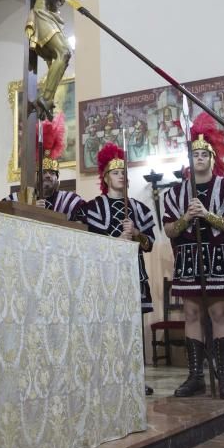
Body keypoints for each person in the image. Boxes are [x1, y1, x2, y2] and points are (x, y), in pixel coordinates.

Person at [163, 113, 224, 399]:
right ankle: (195, 375)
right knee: (191, 313)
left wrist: (209, 216)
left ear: (213, 158)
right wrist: (187, 217)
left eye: (204, 154)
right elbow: (170, 231)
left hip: (219, 259)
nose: (199, 158)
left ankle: (223, 377)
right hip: (188, 259)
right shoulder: (175, 194)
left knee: (218, 313)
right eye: (194, 154)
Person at [83, 142, 156, 395]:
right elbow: (89, 242)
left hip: (134, 273)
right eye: (116, 172)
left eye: (124, 172)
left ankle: (137, 376)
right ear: (105, 177)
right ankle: (109, 373)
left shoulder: (139, 209)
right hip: (106, 274)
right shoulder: (93, 208)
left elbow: (149, 245)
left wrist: (136, 233)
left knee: (134, 325)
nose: (121, 175)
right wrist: (116, 242)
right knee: (108, 324)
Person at [3, 113, 85, 222]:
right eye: (44, 172)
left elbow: (85, 220)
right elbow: (0, 211)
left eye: (52, 173)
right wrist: (29, 207)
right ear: (36, 175)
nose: (47, 175)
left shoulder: (69, 200)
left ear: (57, 177)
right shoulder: (20, 199)